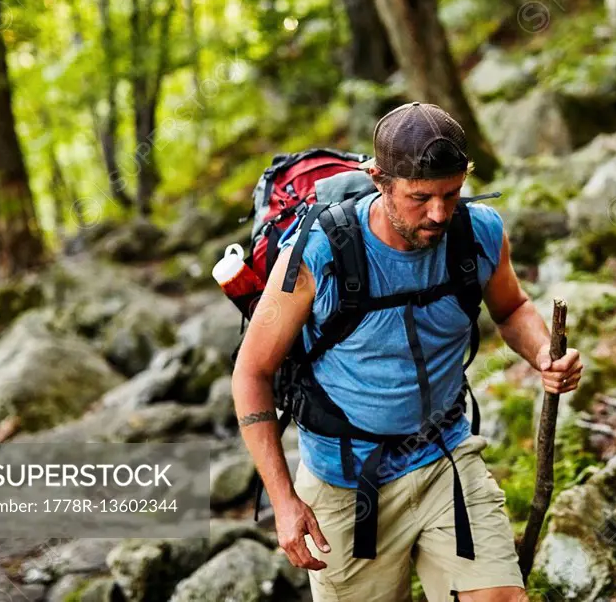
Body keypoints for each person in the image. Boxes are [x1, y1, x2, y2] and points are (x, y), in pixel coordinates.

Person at [231, 101, 583, 602]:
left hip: (446, 459)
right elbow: (251, 372)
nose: (439, 213)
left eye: (452, 194)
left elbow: (511, 309)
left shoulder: (478, 230)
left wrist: (544, 353)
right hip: (346, 486)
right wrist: (284, 501)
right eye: (421, 198)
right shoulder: (319, 253)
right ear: (378, 179)